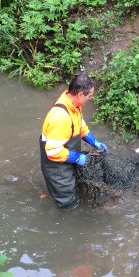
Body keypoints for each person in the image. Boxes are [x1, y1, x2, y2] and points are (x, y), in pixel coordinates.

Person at [40, 74, 109, 210]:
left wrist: (95, 142)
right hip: (56, 165)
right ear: (80, 94)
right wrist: (77, 157)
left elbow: (80, 126)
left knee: (76, 186)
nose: (91, 98)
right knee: (68, 201)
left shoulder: (74, 105)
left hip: (66, 155)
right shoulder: (60, 117)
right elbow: (52, 152)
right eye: (90, 95)